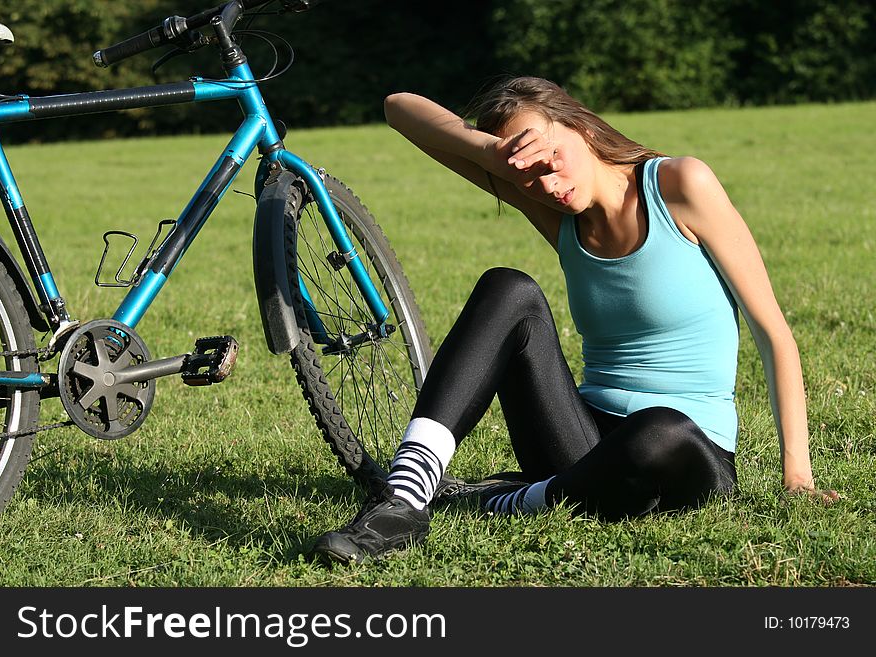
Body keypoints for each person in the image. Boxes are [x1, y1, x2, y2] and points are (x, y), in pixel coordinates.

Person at [310, 76, 838, 565]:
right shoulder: (556, 212)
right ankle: (406, 498)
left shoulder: (680, 184)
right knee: (508, 288)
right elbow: (399, 109)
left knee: (661, 430)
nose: (549, 182)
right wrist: (498, 153)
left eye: (553, 155)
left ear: (579, 126)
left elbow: (774, 332)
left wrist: (798, 476)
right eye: (530, 173)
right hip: (579, 440)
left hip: (684, 455)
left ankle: (508, 501)